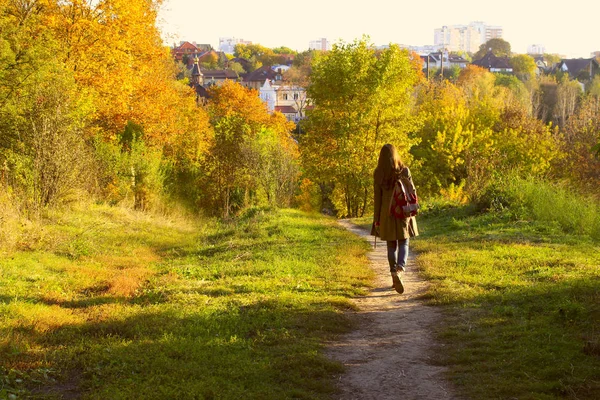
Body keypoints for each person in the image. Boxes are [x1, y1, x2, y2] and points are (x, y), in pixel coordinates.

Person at [371, 144, 419, 294]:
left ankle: (393, 274)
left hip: (387, 213)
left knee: (391, 245)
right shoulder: (404, 170)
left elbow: (377, 198)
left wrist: (376, 219)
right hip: (403, 211)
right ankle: (400, 269)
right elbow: (412, 190)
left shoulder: (379, 173)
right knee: (404, 241)